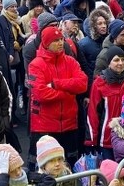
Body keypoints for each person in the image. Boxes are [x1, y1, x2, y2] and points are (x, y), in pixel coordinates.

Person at [27, 25, 87, 163]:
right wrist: (69, 93)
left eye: (61, 39)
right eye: (55, 40)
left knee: (69, 167)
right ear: (46, 44)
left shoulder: (70, 61)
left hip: (69, 125)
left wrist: (56, 84)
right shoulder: (36, 64)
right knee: (45, 169)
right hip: (44, 127)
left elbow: (82, 84)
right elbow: (41, 93)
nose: (60, 43)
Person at [85, 47, 124, 158]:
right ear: (109, 63)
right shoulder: (99, 83)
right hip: (107, 140)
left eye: (123, 59)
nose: (120, 63)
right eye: (116, 60)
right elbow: (93, 114)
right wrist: (91, 141)